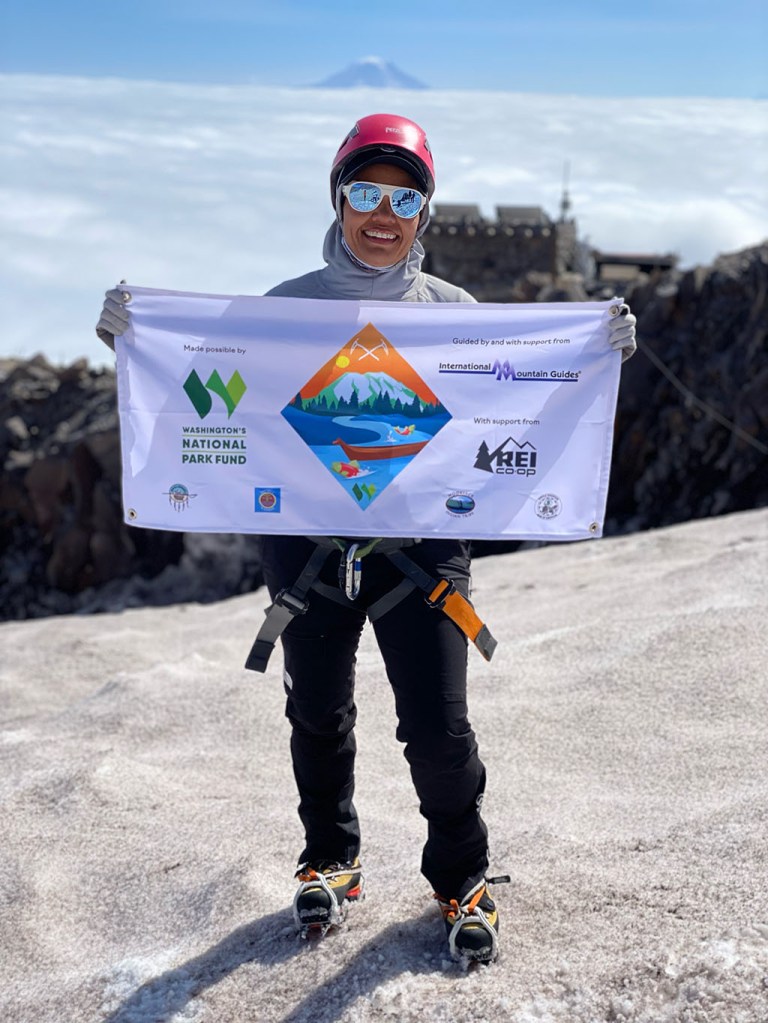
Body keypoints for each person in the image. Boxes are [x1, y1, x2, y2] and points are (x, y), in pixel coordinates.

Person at [96, 112, 637, 964]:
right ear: (337, 199)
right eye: (363, 192)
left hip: (420, 553)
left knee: (439, 727)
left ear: (425, 211)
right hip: (306, 545)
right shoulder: (284, 312)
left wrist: (596, 356)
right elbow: (212, 391)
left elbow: (520, 394)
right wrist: (135, 343)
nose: (382, 213)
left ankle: (462, 873)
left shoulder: (454, 316)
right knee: (316, 713)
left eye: (404, 196)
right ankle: (331, 858)